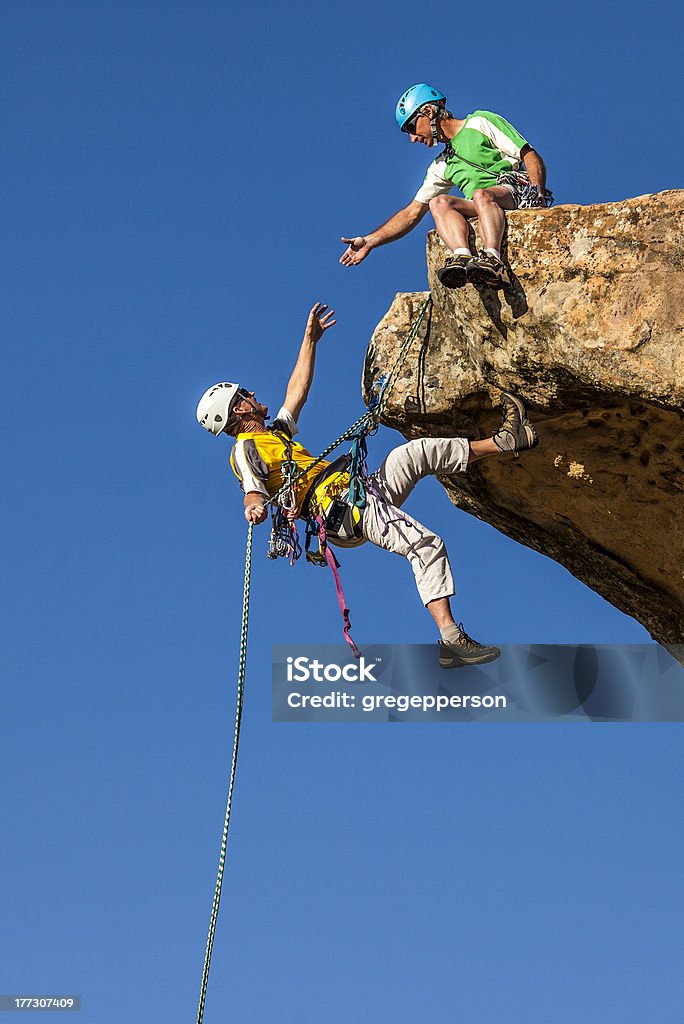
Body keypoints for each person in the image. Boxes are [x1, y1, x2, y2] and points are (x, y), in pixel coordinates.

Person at [196, 303, 539, 667]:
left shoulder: (275, 435)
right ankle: (451, 639)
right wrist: (254, 506)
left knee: (412, 454)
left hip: (357, 493)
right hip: (342, 510)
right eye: (245, 394)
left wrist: (309, 340)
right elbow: (253, 488)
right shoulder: (246, 448)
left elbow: (297, 391)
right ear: (239, 409)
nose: (253, 395)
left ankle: (505, 441)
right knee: (425, 544)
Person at [340, 83, 551, 289]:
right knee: (439, 202)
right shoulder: (442, 164)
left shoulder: (480, 122)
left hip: (513, 190)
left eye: (411, 127)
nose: (412, 138)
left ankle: (494, 261)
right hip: (483, 203)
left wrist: (537, 192)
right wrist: (369, 241)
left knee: (480, 195)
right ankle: (462, 257)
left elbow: (528, 153)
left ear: (429, 111)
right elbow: (412, 213)